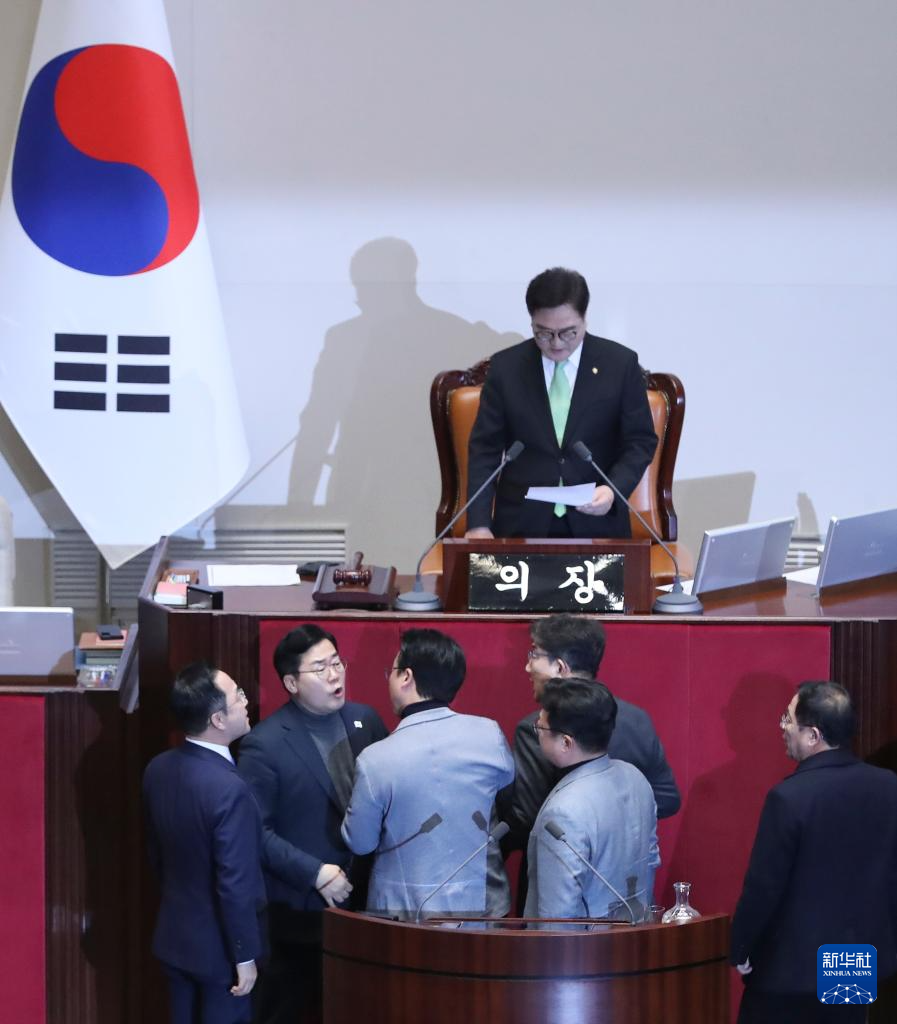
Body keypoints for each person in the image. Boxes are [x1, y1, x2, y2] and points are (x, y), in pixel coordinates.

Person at [237, 625, 388, 1024]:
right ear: (291, 683)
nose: (335, 675)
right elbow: (255, 832)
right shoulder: (264, 744)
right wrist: (315, 873)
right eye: (320, 669)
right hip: (300, 912)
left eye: (337, 663)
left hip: (365, 905)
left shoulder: (365, 720)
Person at [730, 681, 897, 1023]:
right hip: (854, 960)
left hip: (790, 970)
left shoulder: (789, 797)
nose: (782, 727)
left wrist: (740, 947)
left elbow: (764, 888)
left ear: (813, 736)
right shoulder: (888, 786)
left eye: (788, 719)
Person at [465, 267, 657, 540]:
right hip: (521, 524)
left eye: (568, 333)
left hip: (597, 523)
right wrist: (478, 524)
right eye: (543, 333)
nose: (556, 344)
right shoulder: (506, 368)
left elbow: (640, 441)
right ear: (532, 322)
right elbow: (485, 449)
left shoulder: (619, 364)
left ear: (584, 319)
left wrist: (612, 489)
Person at [341, 628, 515, 919]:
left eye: (392, 672)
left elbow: (360, 842)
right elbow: (505, 795)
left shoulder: (375, 759)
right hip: (478, 906)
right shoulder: (490, 735)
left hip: (402, 915)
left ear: (406, 677)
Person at [143, 663, 265, 1024]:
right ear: (218, 719)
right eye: (238, 696)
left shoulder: (157, 768)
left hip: (174, 939)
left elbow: (157, 856)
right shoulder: (229, 789)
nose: (246, 701)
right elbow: (235, 884)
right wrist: (244, 955)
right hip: (220, 953)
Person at [501, 614, 679, 856]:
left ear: (560, 667)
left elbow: (527, 819)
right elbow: (667, 799)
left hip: (559, 865)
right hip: (626, 867)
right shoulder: (638, 719)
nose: (528, 666)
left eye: (534, 654)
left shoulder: (538, 729)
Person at [525, 678, 659, 920]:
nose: (537, 733)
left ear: (565, 742)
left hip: (587, 942)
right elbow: (649, 863)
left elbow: (558, 918)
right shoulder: (636, 778)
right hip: (637, 932)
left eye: (540, 727)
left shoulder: (563, 812)